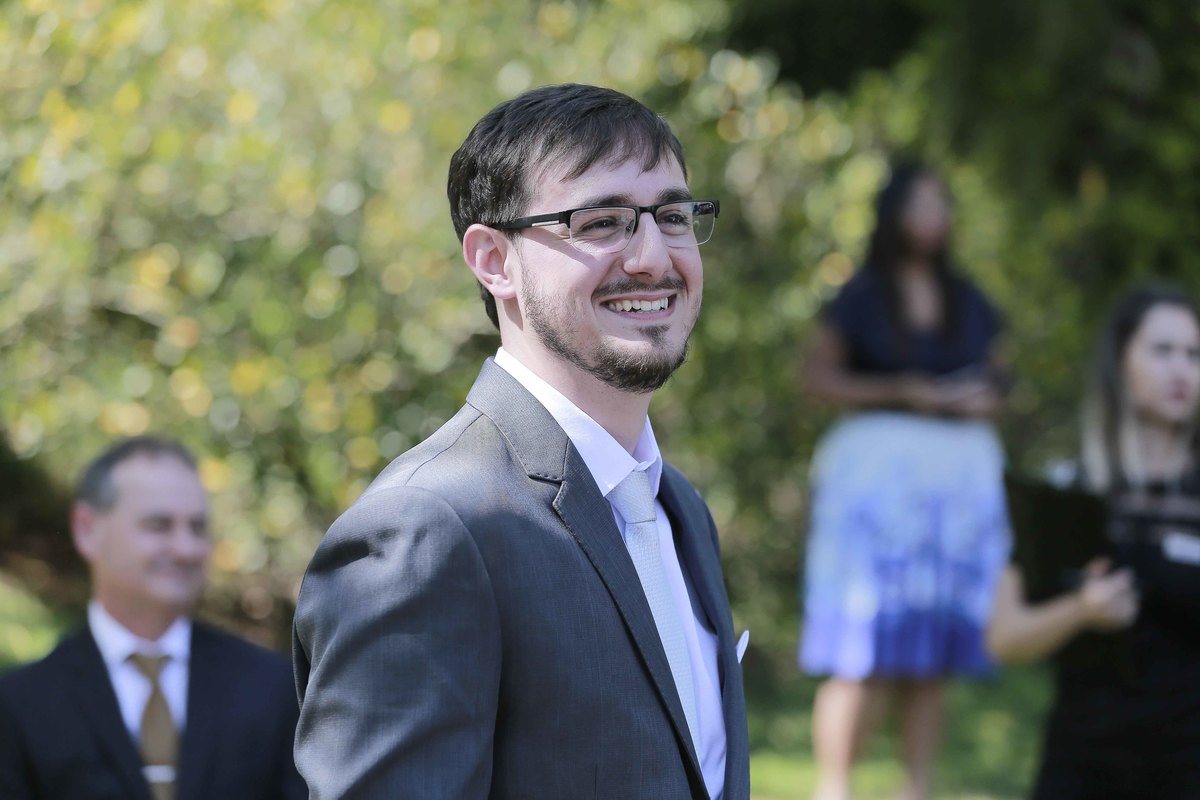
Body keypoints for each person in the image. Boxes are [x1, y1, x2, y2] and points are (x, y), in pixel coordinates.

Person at [292, 83, 750, 800]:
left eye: (673, 215)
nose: (654, 257)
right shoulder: (426, 530)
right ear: (493, 260)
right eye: (602, 222)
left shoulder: (680, 509)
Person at [798, 163, 1010, 800]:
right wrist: (900, 391)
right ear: (893, 214)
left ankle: (914, 788)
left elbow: (1001, 380)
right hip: (878, 488)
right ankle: (834, 788)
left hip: (954, 490)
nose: (934, 215)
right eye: (921, 203)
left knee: (933, 653)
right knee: (866, 646)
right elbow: (817, 379)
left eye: (941, 203)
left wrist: (979, 399)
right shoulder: (861, 295)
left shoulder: (966, 297)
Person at [0, 436, 305, 800]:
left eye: (197, 527)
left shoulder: (273, 688)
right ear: (86, 529)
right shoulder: (20, 704)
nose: (185, 548)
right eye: (159, 525)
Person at [987, 284, 1200, 800]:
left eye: (1194, 354)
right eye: (1162, 350)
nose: (1181, 369)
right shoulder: (1067, 492)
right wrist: (1081, 610)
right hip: (1083, 763)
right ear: (1120, 362)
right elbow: (1004, 638)